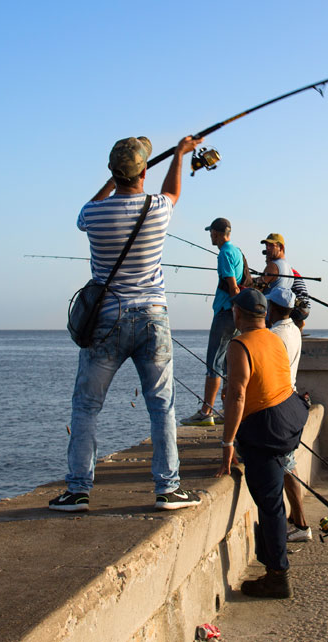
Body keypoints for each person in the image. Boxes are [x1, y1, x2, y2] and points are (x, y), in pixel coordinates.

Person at [49, 134, 205, 512]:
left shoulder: (93, 214)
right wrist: (179, 155)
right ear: (143, 172)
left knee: (86, 406)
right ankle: (168, 489)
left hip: (106, 318)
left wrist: (113, 179)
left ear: (112, 173)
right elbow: (173, 192)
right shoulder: (156, 207)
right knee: (161, 406)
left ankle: (78, 490)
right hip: (152, 317)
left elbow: (89, 207)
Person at [215, 289, 309, 599]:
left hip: (266, 432)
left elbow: (238, 396)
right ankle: (272, 560)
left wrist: (228, 443)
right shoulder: (275, 338)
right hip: (290, 418)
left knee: (270, 505)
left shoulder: (238, 345)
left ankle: (277, 576)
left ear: (237, 315)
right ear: (264, 314)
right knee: (272, 498)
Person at [181, 218, 244, 426]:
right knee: (228, 364)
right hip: (233, 316)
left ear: (217, 233)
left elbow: (233, 287)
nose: (210, 236)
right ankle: (228, 408)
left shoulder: (225, 253)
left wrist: (235, 310)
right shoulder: (237, 251)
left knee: (213, 363)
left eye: (211, 233)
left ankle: (206, 411)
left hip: (226, 313)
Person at [266, 288, 310, 542]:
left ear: (271, 307)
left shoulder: (275, 335)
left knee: (287, 465)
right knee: (287, 463)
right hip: (292, 401)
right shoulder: (294, 330)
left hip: (279, 405)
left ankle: (301, 524)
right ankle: (296, 518)